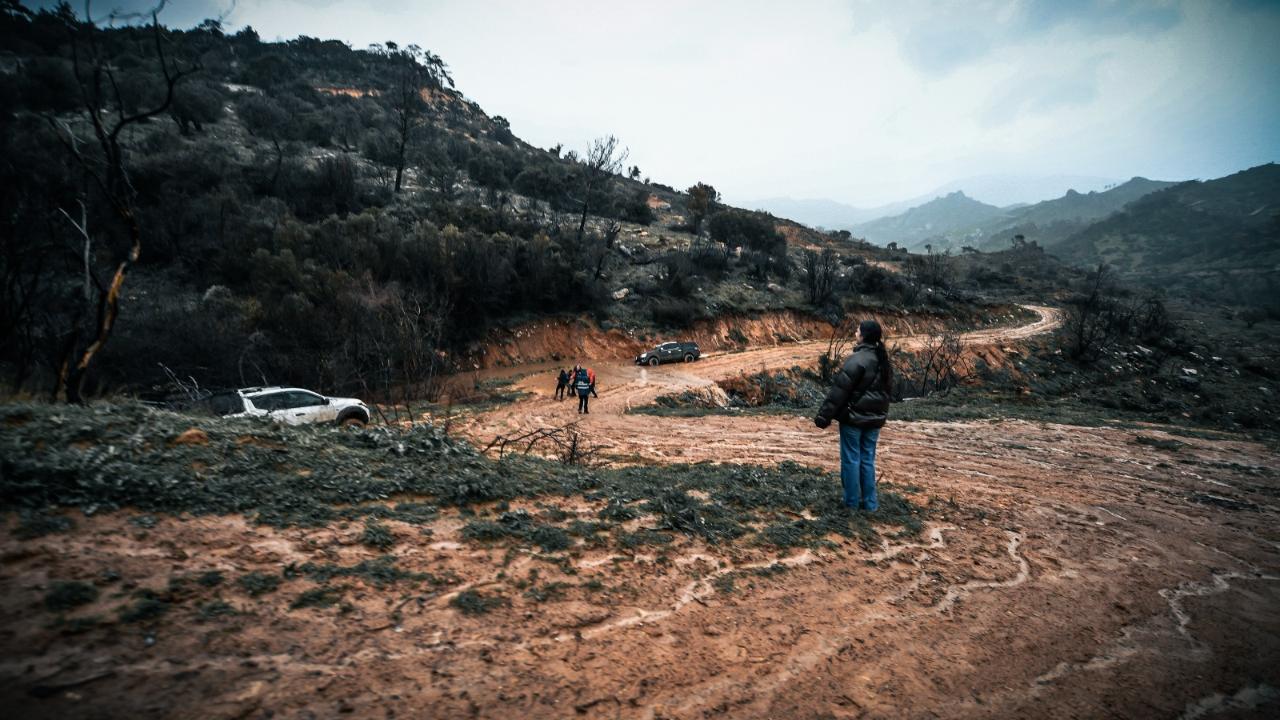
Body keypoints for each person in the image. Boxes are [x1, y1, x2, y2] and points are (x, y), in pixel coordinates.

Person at [814, 319, 892, 512]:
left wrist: (824, 416)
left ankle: (851, 504)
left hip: (853, 419)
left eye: (857, 331)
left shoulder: (856, 360)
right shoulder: (884, 361)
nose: (855, 333)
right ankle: (871, 504)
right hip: (874, 420)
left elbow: (839, 392)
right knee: (867, 460)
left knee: (851, 460)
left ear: (863, 335)